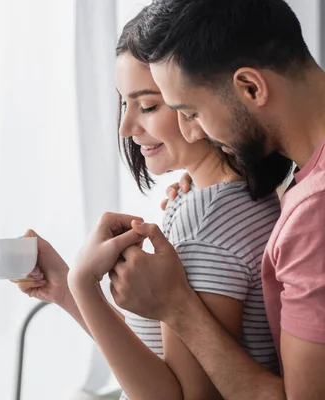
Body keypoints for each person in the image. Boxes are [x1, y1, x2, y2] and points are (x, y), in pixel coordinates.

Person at [12, 15, 292, 399]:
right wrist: (66, 288)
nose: (125, 126)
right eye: (124, 103)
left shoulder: (206, 218)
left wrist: (83, 284)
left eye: (147, 106)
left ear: (191, 97)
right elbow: (159, 364)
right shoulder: (230, 199)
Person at [107, 1, 325, 399]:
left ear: (251, 87)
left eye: (190, 111)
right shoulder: (299, 186)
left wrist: (177, 306)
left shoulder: (315, 213)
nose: (192, 134)